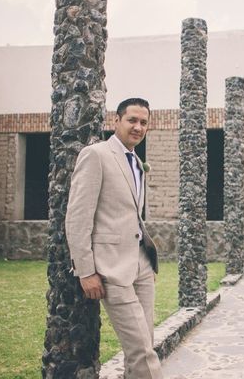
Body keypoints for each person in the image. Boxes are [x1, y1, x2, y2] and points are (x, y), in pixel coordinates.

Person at [66, 97, 162, 379]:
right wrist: (85, 271)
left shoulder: (136, 161)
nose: (138, 127)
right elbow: (77, 217)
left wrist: (145, 259)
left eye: (143, 122)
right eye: (132, 120)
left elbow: (132, 215)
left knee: (143, 346)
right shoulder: (96, 155)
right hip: (111, 268)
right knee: (143, 353)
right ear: (116, 121)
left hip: (141, 266)